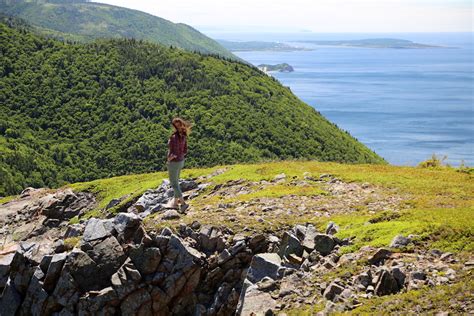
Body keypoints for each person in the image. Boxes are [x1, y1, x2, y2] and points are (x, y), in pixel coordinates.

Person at [165, 117, 191, 211]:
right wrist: (180, 156)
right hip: (181, 161)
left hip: (174, 163)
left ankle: (183, 203)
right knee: (177, 182)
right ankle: (175, 203)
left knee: (174, 184)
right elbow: (185, 150)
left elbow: (173, 152)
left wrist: (169, 159)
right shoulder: (183, 135)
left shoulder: (174, 137)